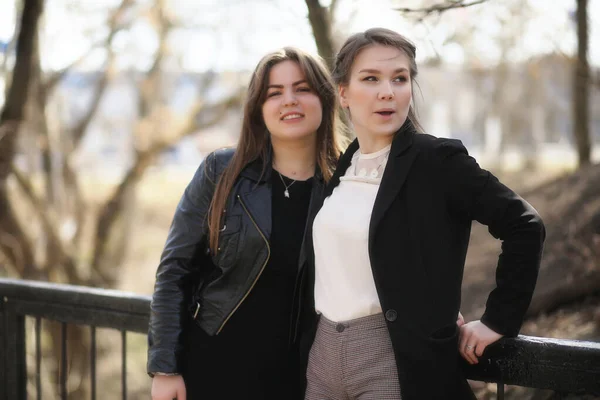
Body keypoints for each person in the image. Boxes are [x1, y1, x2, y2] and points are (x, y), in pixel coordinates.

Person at [301, 28, 546, 400]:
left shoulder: (437, 161)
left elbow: (524, 225)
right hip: (322, 358)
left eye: (399, 78)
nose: (388, 91)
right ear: (344, 93)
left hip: (393, 360)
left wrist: (499, 319)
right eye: (371, 79)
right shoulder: (343, 168)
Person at [147, 46, 346, 400]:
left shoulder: (345, 185)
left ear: (324, 98)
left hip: (300, 380)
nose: (289, 100)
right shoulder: (222, 172)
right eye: (275, 93)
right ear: (259, 109)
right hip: (212, 368)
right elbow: (175, 271)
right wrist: (165, 367)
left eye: (302, 88)